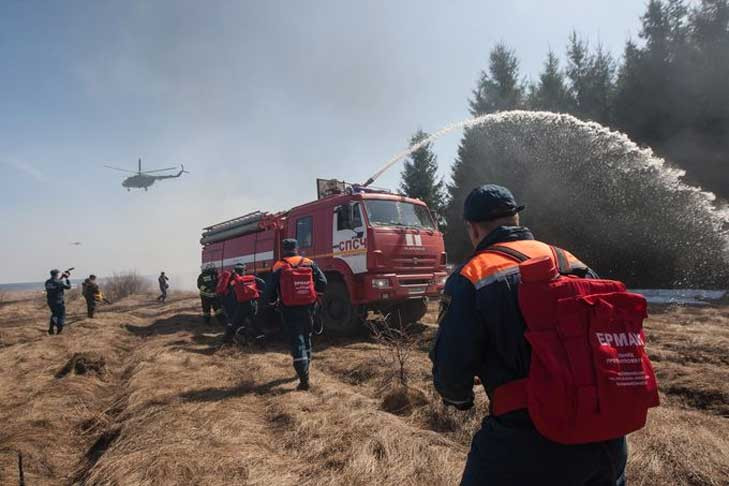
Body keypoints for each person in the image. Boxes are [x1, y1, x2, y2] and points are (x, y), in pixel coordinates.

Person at [430, 185, 627, 485]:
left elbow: (451, 365)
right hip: (606, 434)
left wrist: (459, 399)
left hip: (527, 438)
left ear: (472, 229)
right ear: (516, 220)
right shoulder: (572, 262)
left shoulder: (472, 275)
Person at [263, 239, 327, 390]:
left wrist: (271, 302)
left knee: (296, 339)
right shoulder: (309, 262)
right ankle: (306, 368)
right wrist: (316, 296)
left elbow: (269, 289)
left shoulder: (279, 265)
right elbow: (323, 281)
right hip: (308, 306)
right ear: (297, 248)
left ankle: (304, 379)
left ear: (284, 249)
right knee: (307, 336)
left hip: (289, 308)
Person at [223, 263, 266, 343]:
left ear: (235, 271)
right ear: (244, 271)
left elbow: (231, 294)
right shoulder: (252, 278)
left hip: (242, 305)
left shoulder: (234, 281)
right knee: (255, 323)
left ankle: (227, 340)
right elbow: (263, 284)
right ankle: (261, 342)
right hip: (253, 304)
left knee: (234, 322)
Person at [45, 269, 71, 335]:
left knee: (54, 314)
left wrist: (62, 277)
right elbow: (68, 287)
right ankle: (59, 331)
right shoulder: (59, 282)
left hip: (50, 302)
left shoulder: (47, 282)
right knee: (61, 316)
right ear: (56, 274)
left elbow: (56, 283)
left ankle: (51, 330)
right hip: (58, 302)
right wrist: (67, 279)